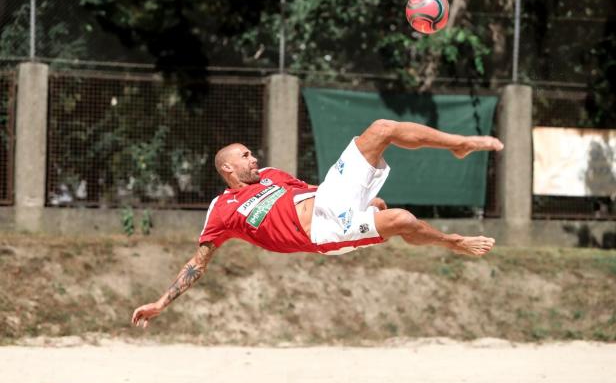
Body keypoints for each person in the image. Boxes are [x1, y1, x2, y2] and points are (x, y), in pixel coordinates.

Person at [132, 119, 504, 328]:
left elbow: (309, 191)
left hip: (330, 198)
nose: (253, 157)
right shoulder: (223, 208)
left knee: (381, 129)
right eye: (245, 156)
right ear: (227, 168)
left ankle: (460, 143)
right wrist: (161, 303)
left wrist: (360, 200)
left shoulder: (270, 175)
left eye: (252, 153)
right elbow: (199, 263)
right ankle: (452, 241)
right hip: (324, 234)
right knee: (403, 219)